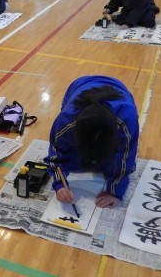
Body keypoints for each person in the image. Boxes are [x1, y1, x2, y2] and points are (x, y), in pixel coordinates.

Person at [44, 76, 139, 208]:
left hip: (120, 90)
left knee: (109, 158)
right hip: (78, 85)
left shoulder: (127, 117)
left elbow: (125, 157)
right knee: (76, 157)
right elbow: (56, 153)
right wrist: (59, 184)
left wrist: (115, 193)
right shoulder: (67, 119)